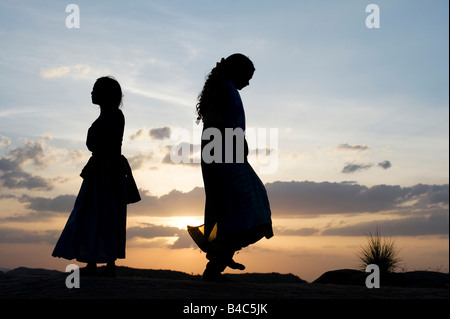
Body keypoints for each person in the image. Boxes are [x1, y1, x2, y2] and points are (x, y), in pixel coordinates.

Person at [188, 53, 273, 282]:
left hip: (226, 155)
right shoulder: (224, 89)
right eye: (247, 76)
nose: (248, 82)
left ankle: (219, 259)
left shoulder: (225, 88)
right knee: (248, 208)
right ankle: (218, 258)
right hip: (224, 157)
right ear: (237, 72)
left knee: (234, 209)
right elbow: (215, 124)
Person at [52, 76, 140, 277]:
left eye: (95, 89)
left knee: (107, 214)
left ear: (107, 94)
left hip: (107, 171)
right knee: (91, 214)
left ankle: (109, 264)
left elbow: (103, 144)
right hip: (100, 169)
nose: (92, 93)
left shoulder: (115, 115)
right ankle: (93, 262)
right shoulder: (108, 116)